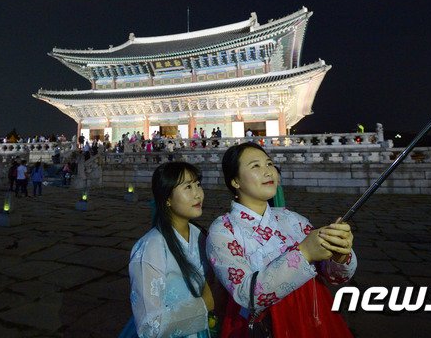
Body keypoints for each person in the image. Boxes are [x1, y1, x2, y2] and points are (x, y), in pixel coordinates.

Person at [206, 142, 357, 337]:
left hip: (316, 315)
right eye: (256, 166)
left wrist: (339, 255)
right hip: (268, 326)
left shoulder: (292, 219)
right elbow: (246, 294)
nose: (268, 171)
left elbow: (336, 276)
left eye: (269, 164)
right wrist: (305, 253)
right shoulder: (223, 231)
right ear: (235, 181)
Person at [124, 162, 218, 338]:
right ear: (167, 198)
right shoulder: (150, 249)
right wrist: (204, 305)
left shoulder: (202, 236)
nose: (198, 194)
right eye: (188, 187)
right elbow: (149, 327)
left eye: (198, 184)